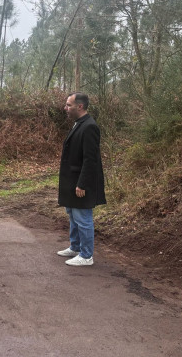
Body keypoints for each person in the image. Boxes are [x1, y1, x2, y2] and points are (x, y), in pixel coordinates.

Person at [56, 92, 106, 266]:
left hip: (81, 182)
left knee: (83, 217)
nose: (65, 108)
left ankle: (86, 256)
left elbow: (90, 159)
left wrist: (82, 183)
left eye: (69, 105)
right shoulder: (79, 124)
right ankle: (75, 247)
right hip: (72, 180)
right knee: (72, 214)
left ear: (80, 106)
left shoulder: (90, 126)